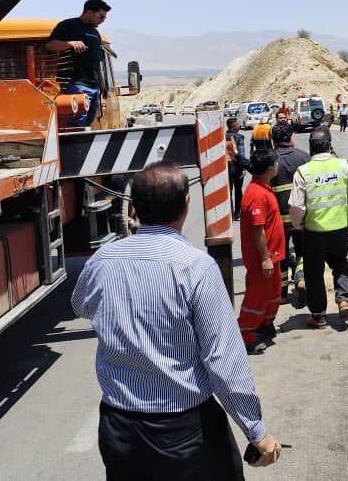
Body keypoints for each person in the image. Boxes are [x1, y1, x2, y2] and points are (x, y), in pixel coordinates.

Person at [71, 162, 281, 478]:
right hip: (184, 432)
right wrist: (255, 429)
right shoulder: (196, 267)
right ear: (186, 205)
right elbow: (224, 360)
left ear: (134, 207)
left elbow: (81, 307)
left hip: (120, 428)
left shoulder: (103, 260)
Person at [288, 128, 348, 327]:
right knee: (340, 264)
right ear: (330, 145)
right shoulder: (344, 166)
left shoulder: (303, 172)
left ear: (310, 148)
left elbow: (296, 206)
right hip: (339, 231)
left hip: (313, 233)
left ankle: (318, 315)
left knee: (314, 273)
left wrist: (298, 224)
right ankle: (342, 301)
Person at [237, 150, 285, 355]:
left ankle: (264, 324)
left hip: (273, 256)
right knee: (257, 296)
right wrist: (265, 258)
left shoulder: (264, 187)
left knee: (273, 293)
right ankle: (246, 334)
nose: (278, 165)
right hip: (262, 259)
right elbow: (258, 230)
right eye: (276, 162)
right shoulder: (256, 194)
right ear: (268, 169)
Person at [46, 0, 110, 127]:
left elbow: (96, 61)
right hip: (76, 84)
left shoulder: (95, 33)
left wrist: (102, 83)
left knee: (88, 123)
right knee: (77, 124)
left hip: (94, 87)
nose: (103, 20)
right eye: (101, 16)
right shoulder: (68, 25)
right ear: (89, 12)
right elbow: (50, 45)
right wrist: (69, 43)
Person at [271, 122, 309, 305]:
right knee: (303, 251)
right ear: (291, 137)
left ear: (273, 141)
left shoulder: (271, 161)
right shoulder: (304, 157)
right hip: (301, 218)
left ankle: (283, 293)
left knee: (282, 256)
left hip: (279, 221)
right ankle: (301, 279)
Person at [227, 118, 248, 220]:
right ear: (233, 127)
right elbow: (241, 154)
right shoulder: (239, 137)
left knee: (228, 191)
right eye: (237, 124)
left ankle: (228, 213)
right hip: (236, 167)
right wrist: (244, 168)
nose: (239, 125)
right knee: (238, 190)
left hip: (225, 167)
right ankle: (237, 213)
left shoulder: (222, 137)